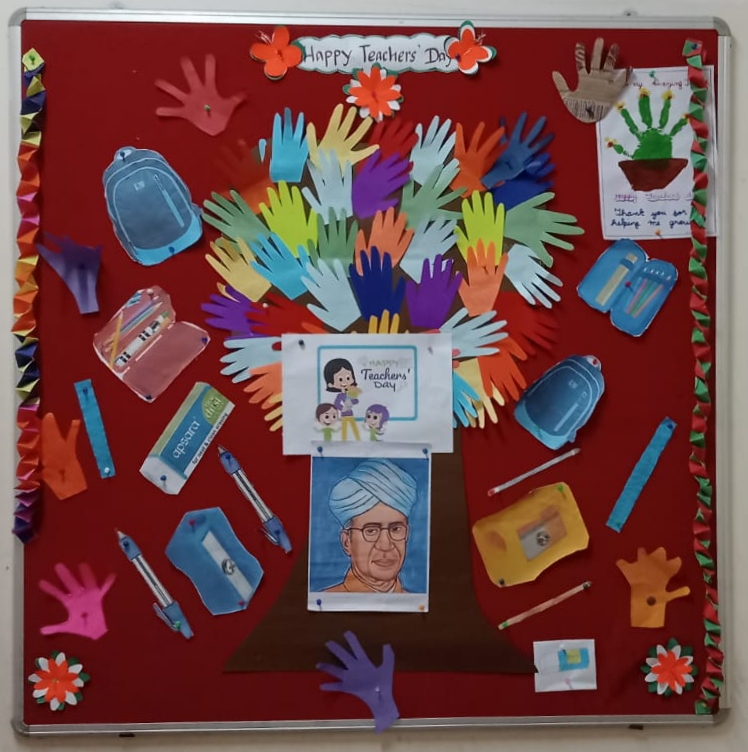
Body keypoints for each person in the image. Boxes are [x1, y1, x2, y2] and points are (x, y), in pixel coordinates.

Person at [323, 458, 417, 594]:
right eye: (371, 530)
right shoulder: (327, 600)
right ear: (347, 542)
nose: (385, 545)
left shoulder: (416, 602)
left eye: (395, 529)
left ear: (407, 534)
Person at [324, 358, 361, 441]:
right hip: (344, 415)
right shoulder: (340, 396)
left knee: (354, 427)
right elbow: (336, 404)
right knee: (344, 429)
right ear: (330, 384)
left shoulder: (350, 393)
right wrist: (342, 408)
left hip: (351, 414)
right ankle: (344, 440)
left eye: (348, 378)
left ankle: (358, 439)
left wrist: (353, 401)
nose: (344, 382)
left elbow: (356, 401)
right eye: (340, 379)